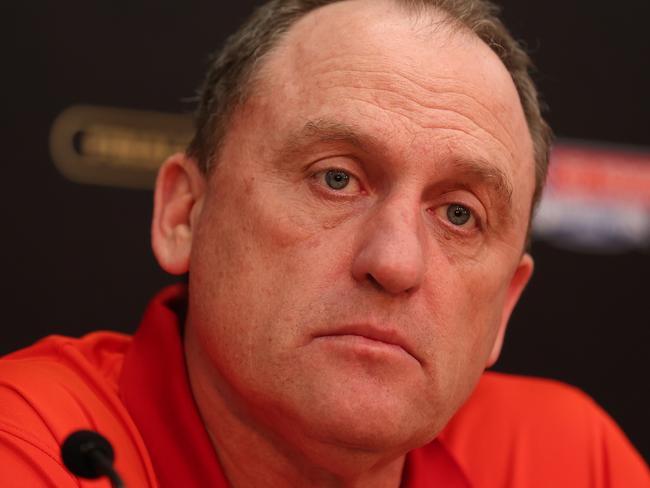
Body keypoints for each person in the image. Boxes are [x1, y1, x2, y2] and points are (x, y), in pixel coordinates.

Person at [0, 0, 647, 486]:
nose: (394, 262)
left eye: (457, 214)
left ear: (504, 307)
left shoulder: (566, 460)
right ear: (184, 212)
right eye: (336, 179)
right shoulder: (35, 445)